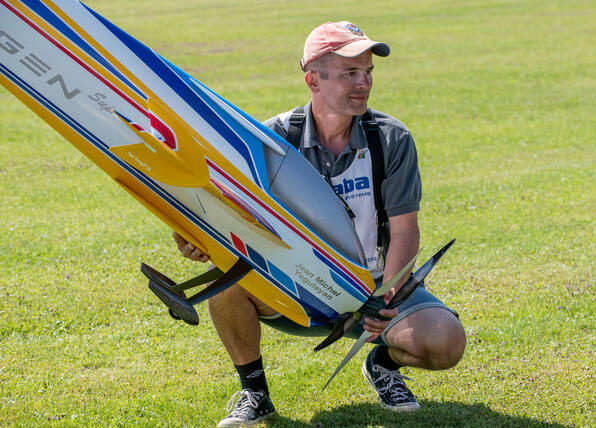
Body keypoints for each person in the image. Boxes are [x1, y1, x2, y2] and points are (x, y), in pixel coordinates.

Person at [173, 21, 466, 427]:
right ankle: (254, 393)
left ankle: (381, 364)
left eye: (368, 72)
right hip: (293, 286)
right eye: (350, 73)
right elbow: (227, 216)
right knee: (224, 281)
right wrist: (197, 240)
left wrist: (390, 294)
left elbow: (404, 230)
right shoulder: (271, 139)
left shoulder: (391, 138)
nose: (364, 83)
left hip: (372, 289)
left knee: (446, 342)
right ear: (313, 79)